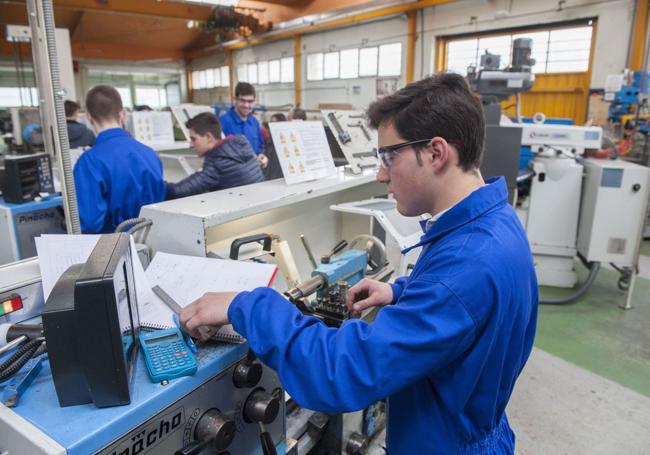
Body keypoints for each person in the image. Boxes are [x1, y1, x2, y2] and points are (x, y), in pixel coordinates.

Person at [180, 74, 538, 453]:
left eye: (389, 156)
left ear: (436, 152)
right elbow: (469, 305)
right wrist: (402, 292)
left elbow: (340, 372)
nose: (381, 173)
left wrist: (246, 305)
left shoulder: (463, 269)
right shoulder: (495, 223)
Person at [73, 85, 166, 233]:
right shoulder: (150, 154)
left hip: (112, 250)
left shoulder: (89, 162)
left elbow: (89, 223)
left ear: (88, 117)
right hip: (153, 244)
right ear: (123, 114)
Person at [165, 112, 264, 200]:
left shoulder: (217, 164)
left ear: (208, 137)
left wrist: (157, 184)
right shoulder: (241, 144)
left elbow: (178, 191)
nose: (191, 145)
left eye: (193, 139)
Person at [219, 82, 268, 169]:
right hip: (233, 178)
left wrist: (262, 156)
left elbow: (260, 147)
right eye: (242, 100)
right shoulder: (223, 123)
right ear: (235, 100)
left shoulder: (254, 123)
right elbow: (217, 155)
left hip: (254, 175)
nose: (246, 105)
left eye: (250, 101)